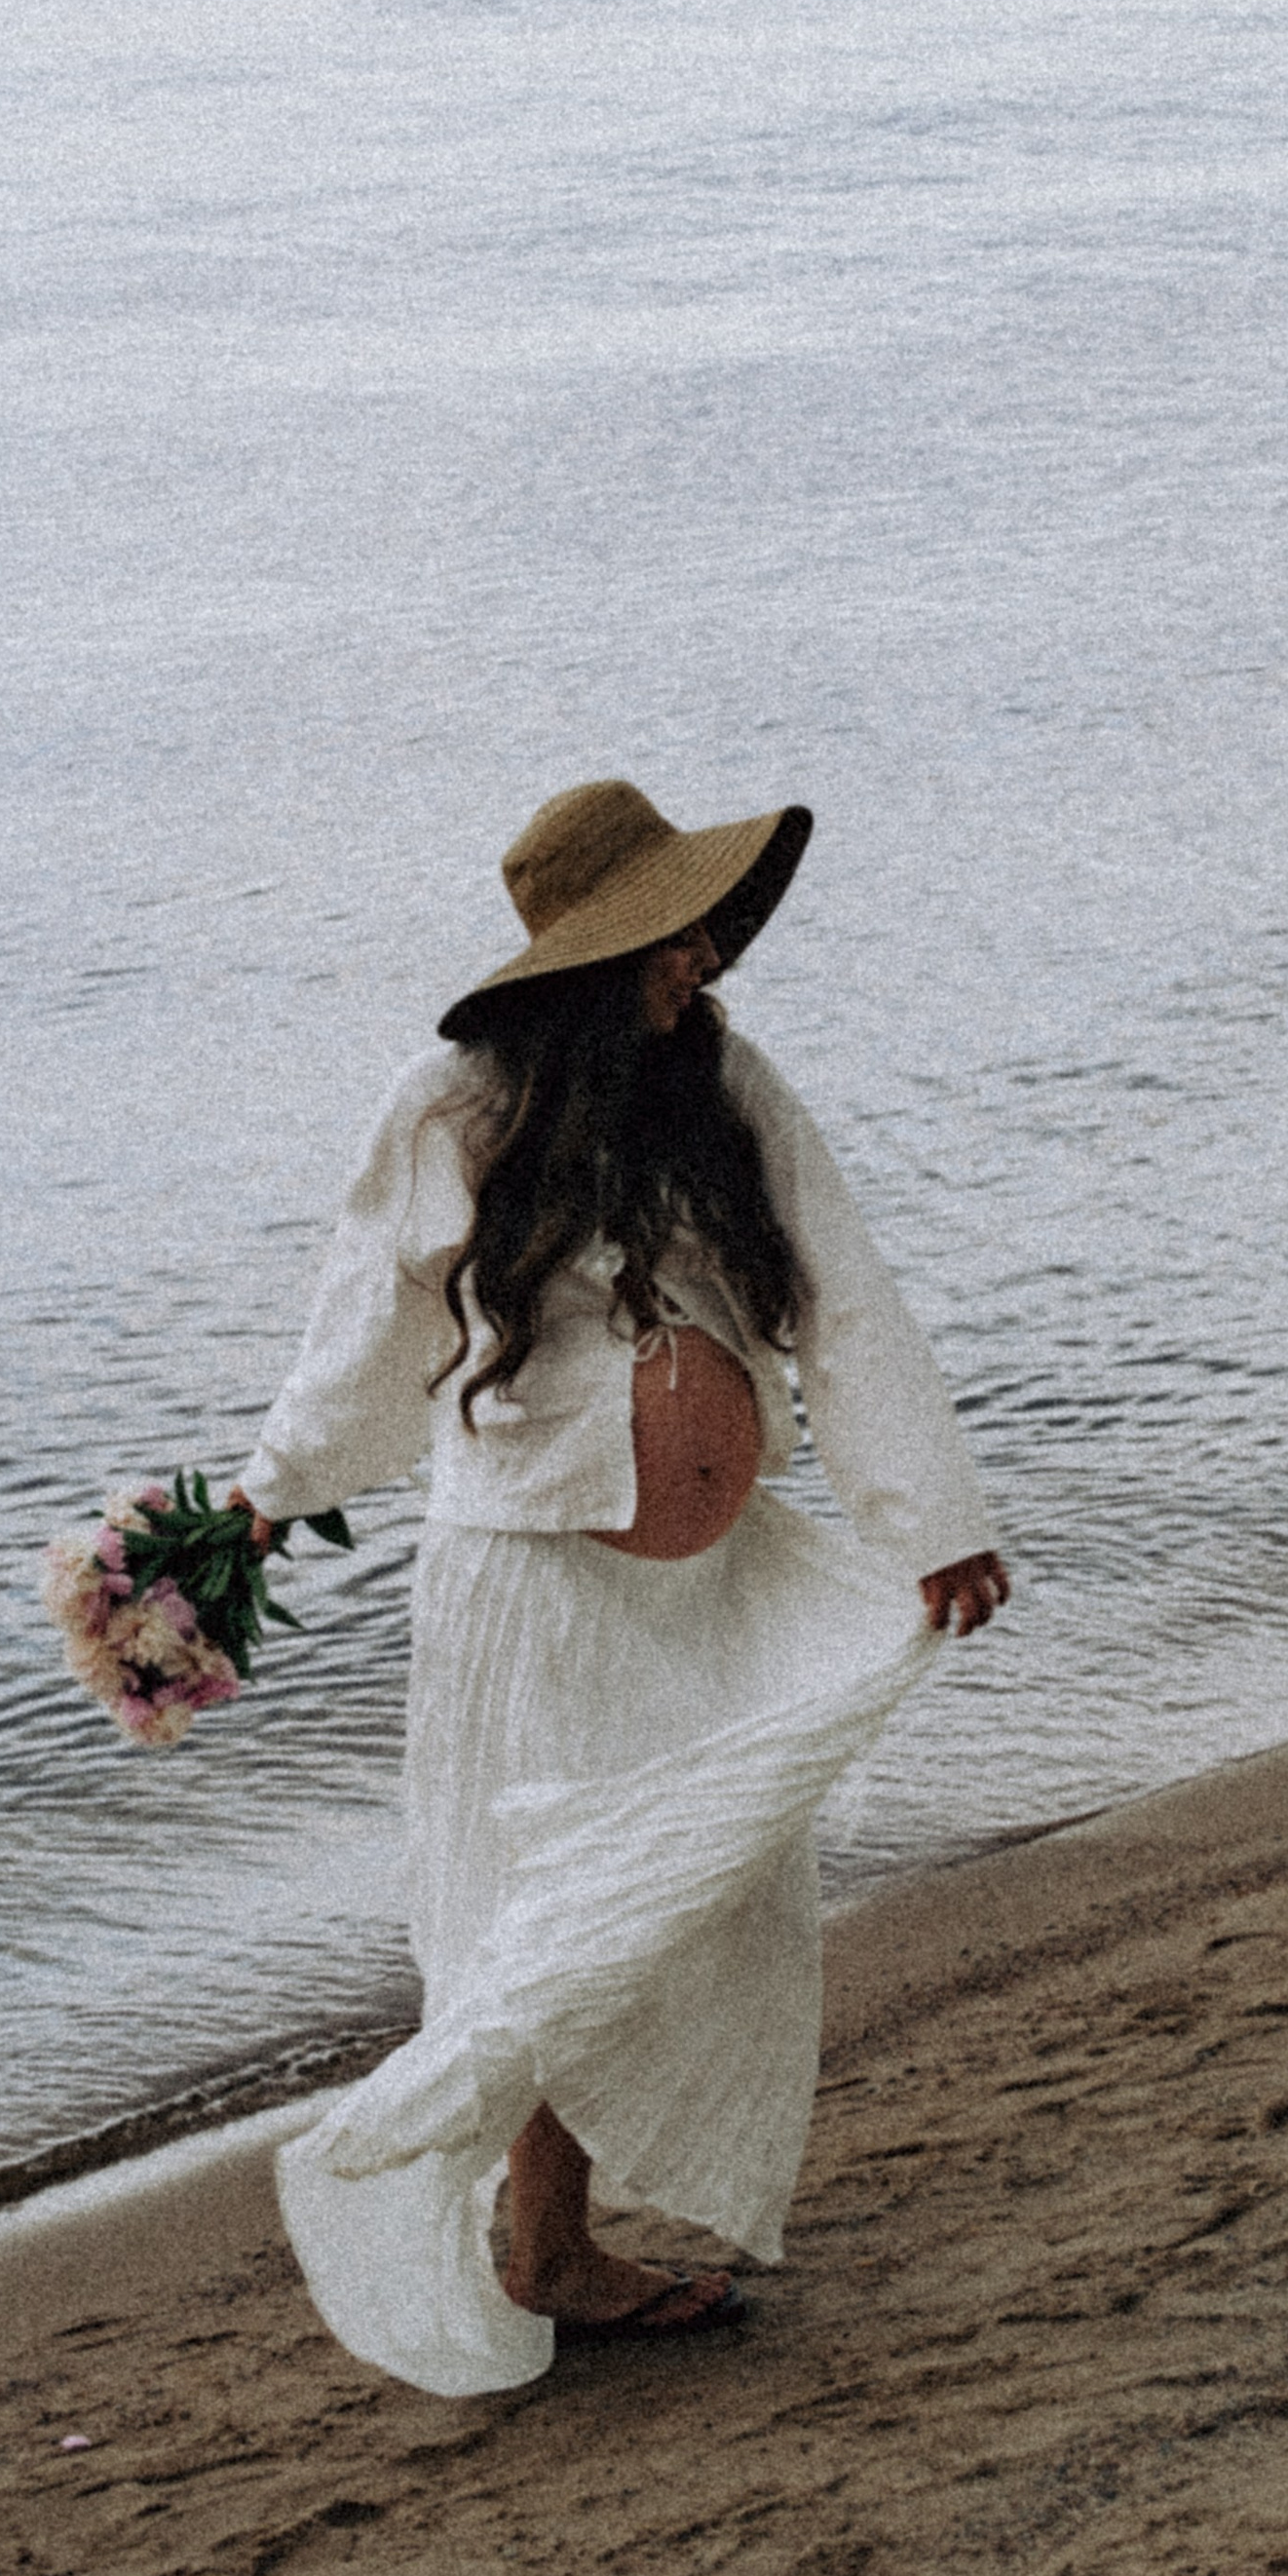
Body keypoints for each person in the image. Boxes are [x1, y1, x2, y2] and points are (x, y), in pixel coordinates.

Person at [234, 778, 1008, 2395]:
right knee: (543, 1913)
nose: (709, 958)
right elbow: (366, 1339)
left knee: (699, 1891)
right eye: (676, 933)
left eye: (707, 924)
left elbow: (841, 1288)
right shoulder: (453, 1104)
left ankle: (562, 2232)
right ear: (599, 955)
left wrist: (928, 1515)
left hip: (710, 1588)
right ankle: (545, 2243)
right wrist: (257, 1507)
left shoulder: (724, 1080)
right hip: (529, 1591)